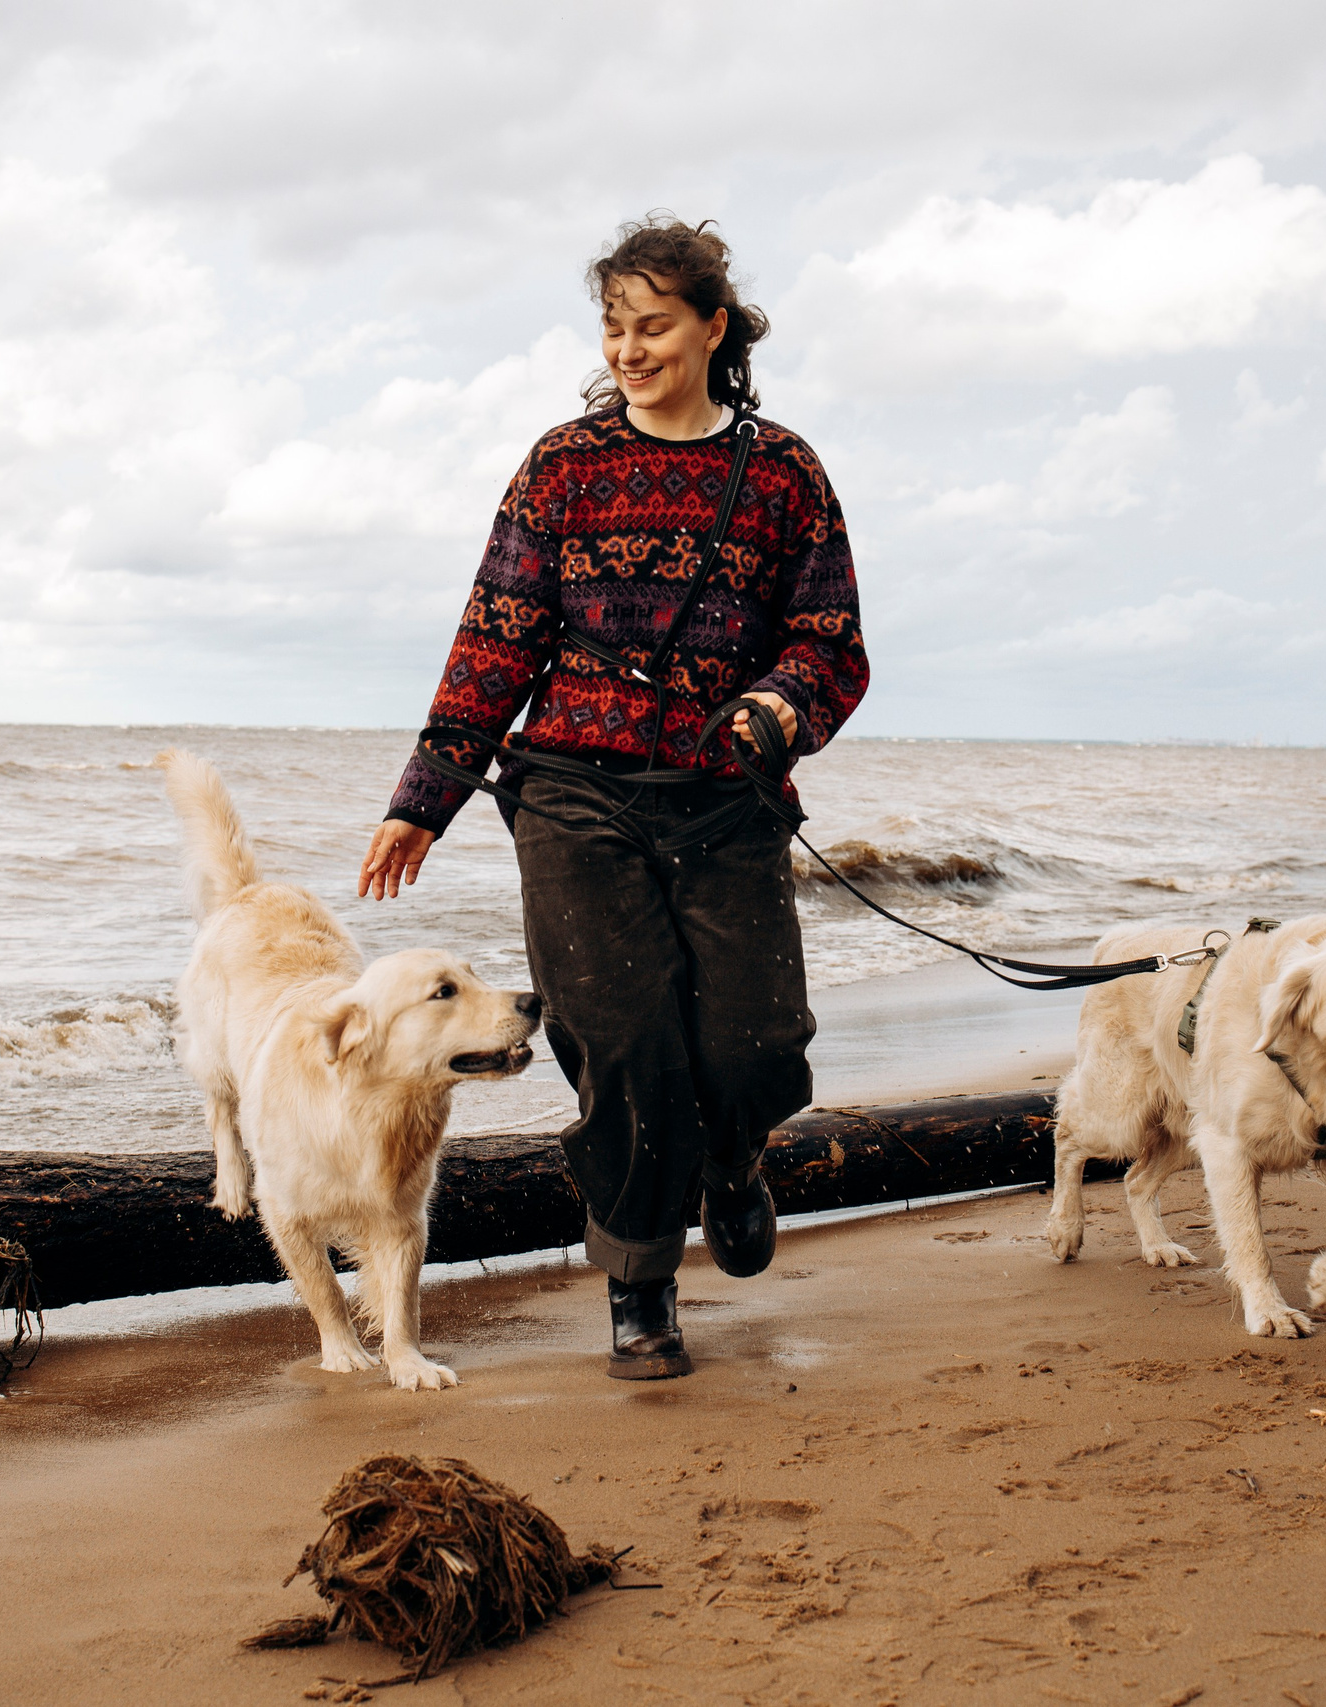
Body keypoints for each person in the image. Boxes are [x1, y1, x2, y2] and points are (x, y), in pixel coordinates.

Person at [358, 215, 869, 1380]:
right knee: (622, 1045)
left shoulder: (783, 469)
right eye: (613, 327)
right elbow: (496, 638)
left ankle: (734, 1161)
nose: (629, 349)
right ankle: (639, 1287)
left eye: (653, 326)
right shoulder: (561, 464)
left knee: (754, 1042)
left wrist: (782, 702)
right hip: (575, 793)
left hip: (727, 799)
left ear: (711, 330)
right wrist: (422, 799)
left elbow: (830, 638)